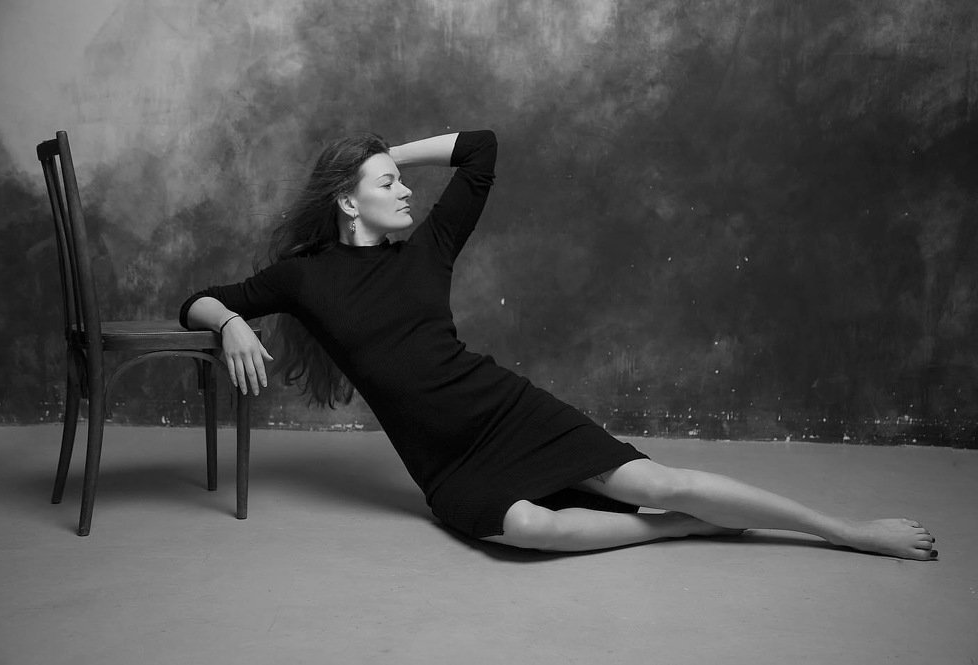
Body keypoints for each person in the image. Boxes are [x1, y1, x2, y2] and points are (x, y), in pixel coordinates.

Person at [180, 129, 937, 560]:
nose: (405, 190)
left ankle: (847, 532)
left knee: (660, 482)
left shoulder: (429, 247)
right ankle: (680, 532)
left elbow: (480, 149)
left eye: (400, 179)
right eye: (386, 184)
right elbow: (197, 302)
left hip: (507, 413)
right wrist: (233, 321)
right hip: (446, 464)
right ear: (348, 201)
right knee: (526, 530)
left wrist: (387, 153)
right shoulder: (304, 278)